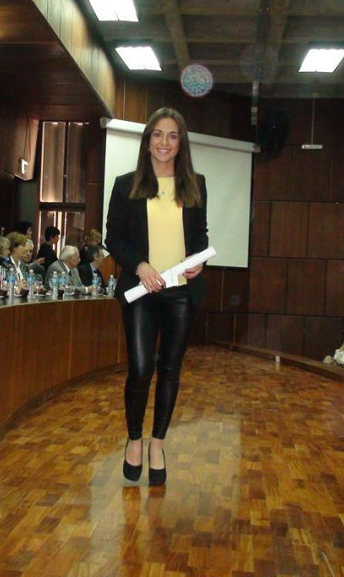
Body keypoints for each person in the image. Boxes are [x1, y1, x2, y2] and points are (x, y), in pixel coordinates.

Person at [105, 107, 208, 486]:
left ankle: (157, 444)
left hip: (181, 292)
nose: (165, 142)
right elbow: (112, 237)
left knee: (170, 371)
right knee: (141, 367)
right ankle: (134, 439)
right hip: (141, 290)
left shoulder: (195, 184)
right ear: (148, 141)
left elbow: (200, 236)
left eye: (173, 135)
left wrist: (199, 261)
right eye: (158, 135)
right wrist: (140, 265)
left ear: (181, 144)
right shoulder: (125, 184)